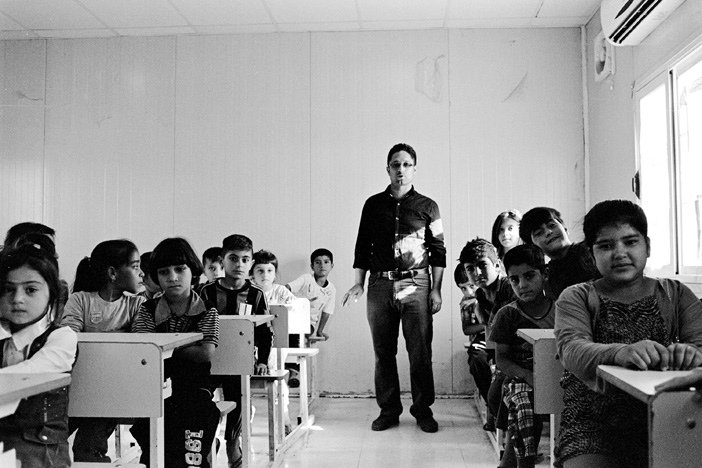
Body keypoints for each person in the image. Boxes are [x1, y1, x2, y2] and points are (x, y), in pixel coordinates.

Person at [554, 199, 702, 468]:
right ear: (591, 253)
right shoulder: (578, 296)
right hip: (592, 424)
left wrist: (691, 353)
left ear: (648, 246)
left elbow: (700, 342)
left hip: (668, 416)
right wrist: (621, 351)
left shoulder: (675, 294)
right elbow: (571, 350)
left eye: (630, 242)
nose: (619, 253)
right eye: (606, 246)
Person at [341, 143, 446, 433]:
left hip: (417, 284)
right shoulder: (373, 204)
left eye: (406, 164)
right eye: (395, 164)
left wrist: (436, 290)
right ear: (387, 168)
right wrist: (358, 284)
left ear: (414, 168)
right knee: (383, 352)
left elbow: (438, 250)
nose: (401, 170)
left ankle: (423, 410)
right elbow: (362, 247)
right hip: (379, 285)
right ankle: (389, 410)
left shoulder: (428, 206)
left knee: (420, 351)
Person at [130, 237, 220, 468]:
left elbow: (205, 354)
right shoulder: (148, 309)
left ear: (194, 271)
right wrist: (182, 346)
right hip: (156, 386)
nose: (172, 277)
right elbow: (144, 350)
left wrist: (165, 348)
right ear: (156, 277)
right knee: (155, 436)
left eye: (180, 269)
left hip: (195, 388)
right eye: (163, 272)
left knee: (198, 422)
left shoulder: (207, 310)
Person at [60, 239, 145, 463]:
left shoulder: (136, 304)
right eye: (135, 266)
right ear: (112, 273)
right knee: (52, 439)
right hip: (78, 385)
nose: (141, 273)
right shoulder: (80, 300)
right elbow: (69, 338)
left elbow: (139, 347)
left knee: (87, 448)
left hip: (113, 389)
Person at [0, 242, 78, 468]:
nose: (17, 299)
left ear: (52, 294)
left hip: (42, 450)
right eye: (8, 289)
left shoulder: (62, 337)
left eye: (31, 290)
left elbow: (32, 372)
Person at [199, 234, 272, 468]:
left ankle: (233, 442)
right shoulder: (207, 292)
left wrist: (262, 360)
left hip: (240, 360)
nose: (239, 264)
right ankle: (207, 442)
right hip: (208, 360)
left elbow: (264, 332)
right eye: (233, 258)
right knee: (200, 399)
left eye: (245, 259)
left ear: (250, 263)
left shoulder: (256, 294)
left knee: (238, 399)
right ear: (223, 261)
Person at [490, 244, 555, 468]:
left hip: (554, 376)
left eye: (529, 276)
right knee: (523, 398)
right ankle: (526, 460)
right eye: (514, 280)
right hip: (516, 378)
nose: (522, 285)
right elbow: (502, 360)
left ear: (544, 274)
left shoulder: (560, 310)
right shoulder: (508, 314)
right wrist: (527, 375)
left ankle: (510, 462)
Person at [458, 237, 516, 433]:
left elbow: (511, 324)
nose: (477, 273)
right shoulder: (481, 295)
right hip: (493, 342)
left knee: (500, 372)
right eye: (470, 269)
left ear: (497, 265)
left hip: (517, 344)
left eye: (482, 265)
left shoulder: (509, 286)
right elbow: (487, 325)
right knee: (476, 357)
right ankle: (493, 410)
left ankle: (499, 415)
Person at [519, 207, 600, 300]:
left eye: (552, 225)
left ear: (564, 227)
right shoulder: (547, 276)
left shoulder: (592, 251)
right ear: (533, 247)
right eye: (539, 233)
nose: (548, 232)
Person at [454, 264, 491, 414]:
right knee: (477, 359)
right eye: (463, 288)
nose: (469, 292)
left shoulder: (493, 293)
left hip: (501, 339)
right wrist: (487, 325)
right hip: (482, 340)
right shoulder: (466, 303)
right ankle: (491, 403)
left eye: (471, 286)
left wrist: (478, 303)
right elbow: (467, 329)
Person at [286, 248, 336, 342]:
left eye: (326, 262)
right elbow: (286, 288)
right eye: (318, 262)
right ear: (312, 266)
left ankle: (297, 350)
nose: (322, 265)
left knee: (301, 331)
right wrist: (298, 302)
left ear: (331, 266)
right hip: (293, 317)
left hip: (309, 324)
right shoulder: (306, 278)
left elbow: (326, 312)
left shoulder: (331, 289)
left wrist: (320, 331)